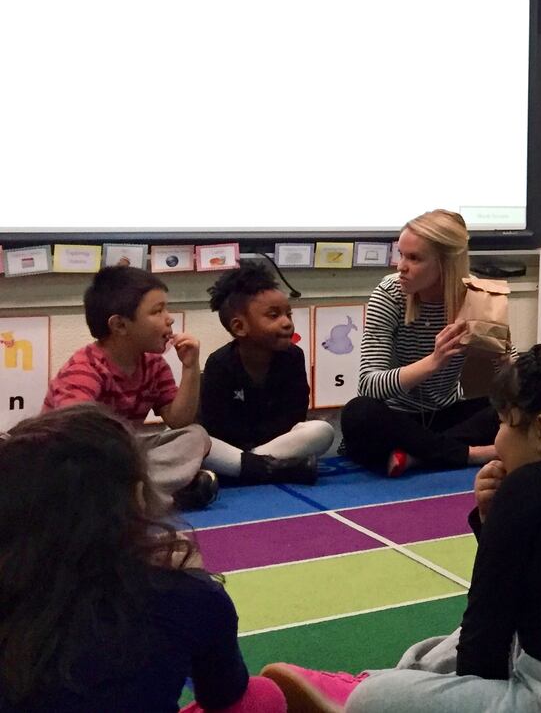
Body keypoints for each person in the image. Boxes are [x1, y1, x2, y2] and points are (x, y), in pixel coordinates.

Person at [261, 343, 541, 712]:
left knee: (375, 700)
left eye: (504, 425)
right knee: (447, 643)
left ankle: (368, 688)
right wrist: (495, 522)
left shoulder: (530, 487)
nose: (498, 441)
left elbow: (484, 639)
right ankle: (393, 678)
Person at [0, 404, 285, 713]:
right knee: (265, 696)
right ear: (137, 497)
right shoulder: (188, 596)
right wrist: (192, 584)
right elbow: (225, 696)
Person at [340, 210, 504, 477]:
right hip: (396, 420)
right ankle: (470, 454)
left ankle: (418, 457)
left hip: (446, 415)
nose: (400, 266)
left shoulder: (478, 297)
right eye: (401, 254)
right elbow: (369, 385)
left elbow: (516, 380)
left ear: (445, 263)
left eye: (414, 258)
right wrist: (433, 362)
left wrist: (505, 360)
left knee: (513, 406)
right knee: (358, 413)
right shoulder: (389, 294)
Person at [43, 266, 216, 510]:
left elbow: (180, 420)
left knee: (195, 436)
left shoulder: (154, 365)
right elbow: (74, 437)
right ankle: (148, 496)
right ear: (120, 326)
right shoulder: (84, 369)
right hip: (76, 457)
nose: (170, 318)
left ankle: (131, 497)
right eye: (157, 311)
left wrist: (190, 368)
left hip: (124, 458)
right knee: (76, 469)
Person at [200, 262, 335, 485]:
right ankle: (279, 469)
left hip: (273, 444)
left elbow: (295, 417)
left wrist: (251, 453)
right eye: (273, 316)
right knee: (195, 441)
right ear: (239, 327)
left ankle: (246, 469)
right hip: (229, 446)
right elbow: (217, 429)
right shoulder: (219, 364)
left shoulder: (293, 357)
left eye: (288, 314)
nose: (287, 323)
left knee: (322, 431)